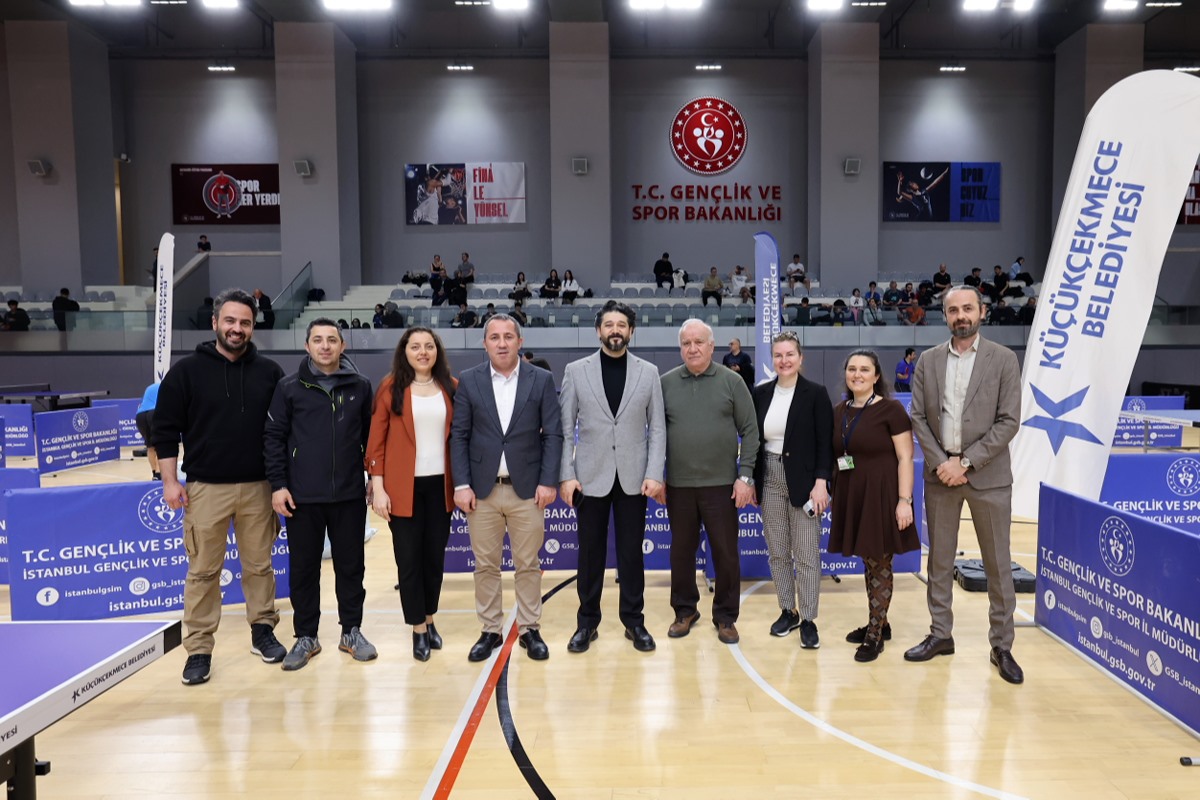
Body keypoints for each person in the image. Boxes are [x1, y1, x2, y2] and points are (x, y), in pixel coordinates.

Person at [151, 288, 286, 686]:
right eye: (230, 321)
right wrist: (170, 481)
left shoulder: (270, 372)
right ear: (214, 323)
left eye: (245, 322)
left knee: (259, 567)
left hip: (258, 487)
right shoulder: (186, 372)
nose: (237, 328)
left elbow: (281, 431)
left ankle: (262, 630)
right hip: (206, 488)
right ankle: (198, 648)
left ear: (253, 326)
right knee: (203, 572)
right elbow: (165, 431)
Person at [905, 285, 1024, 684]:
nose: (961, 316)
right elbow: (918, 417)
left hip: (987, 476)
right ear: (945, 316)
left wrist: (966, 463)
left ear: (982, 312)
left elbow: (1009, 421)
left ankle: (1002, 645)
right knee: (939, 561)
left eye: (968, 308)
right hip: (941, 476)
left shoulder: (1003, 359)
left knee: (998, 565)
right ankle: (941, 634)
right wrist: (943, 464)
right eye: (953, 310)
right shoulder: (928, 360)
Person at [451, 314, 564, 662]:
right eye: (495, 337)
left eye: (508, 337)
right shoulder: (469, 380)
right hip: (481, 491)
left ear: (520, 341)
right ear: (485, 343)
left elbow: (553, 434)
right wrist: (461, 484)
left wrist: (547, 481)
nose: (502, 343)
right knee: (485, 565)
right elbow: (459, 435)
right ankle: (490, 629)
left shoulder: (541, 379)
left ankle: (530, 628)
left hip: (527, 489)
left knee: (528, 564)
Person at [265, 319, 376, 671]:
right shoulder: (288, 388)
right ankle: (306, 636)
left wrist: (374, 477)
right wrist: (278, 485)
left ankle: (351, 631)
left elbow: (371, 439)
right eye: (318, 340)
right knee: (303, 569)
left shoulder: (360, 386)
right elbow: (273, 438)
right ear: (307, 346)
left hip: (349, 494)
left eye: (331, 340)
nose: (325, 346)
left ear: (342, 346)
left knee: (351, 567)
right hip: (302, 496)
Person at [559, 301, 665, 654]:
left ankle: (634, 621)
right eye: (609, 324)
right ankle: (586, 623)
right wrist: (566, 475)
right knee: (590, 554)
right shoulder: (576, 371)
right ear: (598, 331)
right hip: (590, 477)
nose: (615, 330)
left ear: (631, 331)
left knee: (631, 554)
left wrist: (654, 472)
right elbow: (564, 428)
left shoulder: (649, 372)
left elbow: (658, 429)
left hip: (634, 478)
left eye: (621, 324)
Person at [658, 319, 759, 644]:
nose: (692, 348)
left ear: (712, 346)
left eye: (698, 342)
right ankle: (684, 611)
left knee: (726, 554)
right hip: (679, 485)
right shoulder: (665, 383)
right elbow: (655, 434)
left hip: (722, 485)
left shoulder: (732, 381)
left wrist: (745, 476)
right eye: (686, 343)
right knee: (681, 553)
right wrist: (656, 476)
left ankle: (726, 616)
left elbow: (751, 431)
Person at [368, 327, 458, 662]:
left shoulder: (451, 387)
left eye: (429, 346)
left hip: (441, 488)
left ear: (437, 351)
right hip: (402, 489)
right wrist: (378, 488)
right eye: (415, 346)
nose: (423, 352)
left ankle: (430, 619)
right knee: (409, 562)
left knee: (434, 561)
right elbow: (376, 442)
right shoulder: (390, 387)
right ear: (404, 352)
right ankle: (418, 629)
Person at [829, 349, 918, 662]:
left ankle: (874, 636)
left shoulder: (891, 410)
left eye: (864, 369)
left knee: (879, 562)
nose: (857, 374)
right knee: (869, 560)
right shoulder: (840, 410)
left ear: (877, 376)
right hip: (853, 494)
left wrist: (904, 501)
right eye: (852, 369)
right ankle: (880, 622)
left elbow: (906, 458)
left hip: (882, 495)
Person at [752, 331, 833, 649]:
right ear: (772, 359)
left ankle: (809, 619)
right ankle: (789, 610)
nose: (783, 360)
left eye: (789, 354)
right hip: (769, 476)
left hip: (805, 481)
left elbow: (825, 443)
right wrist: (750, 479)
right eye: (778, 355)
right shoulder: (760, 393)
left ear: (801, 358)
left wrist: (821, 482)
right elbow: (754, 440)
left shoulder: (816, 393)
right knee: (778, 552)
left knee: (807, 554)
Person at [135, 381, 161, 481]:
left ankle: (154, 473)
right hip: (154, 413)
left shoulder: (150, 387)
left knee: (150, 447)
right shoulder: (169, 386)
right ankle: (159, 473)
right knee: (161, 445)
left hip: (140, 416)